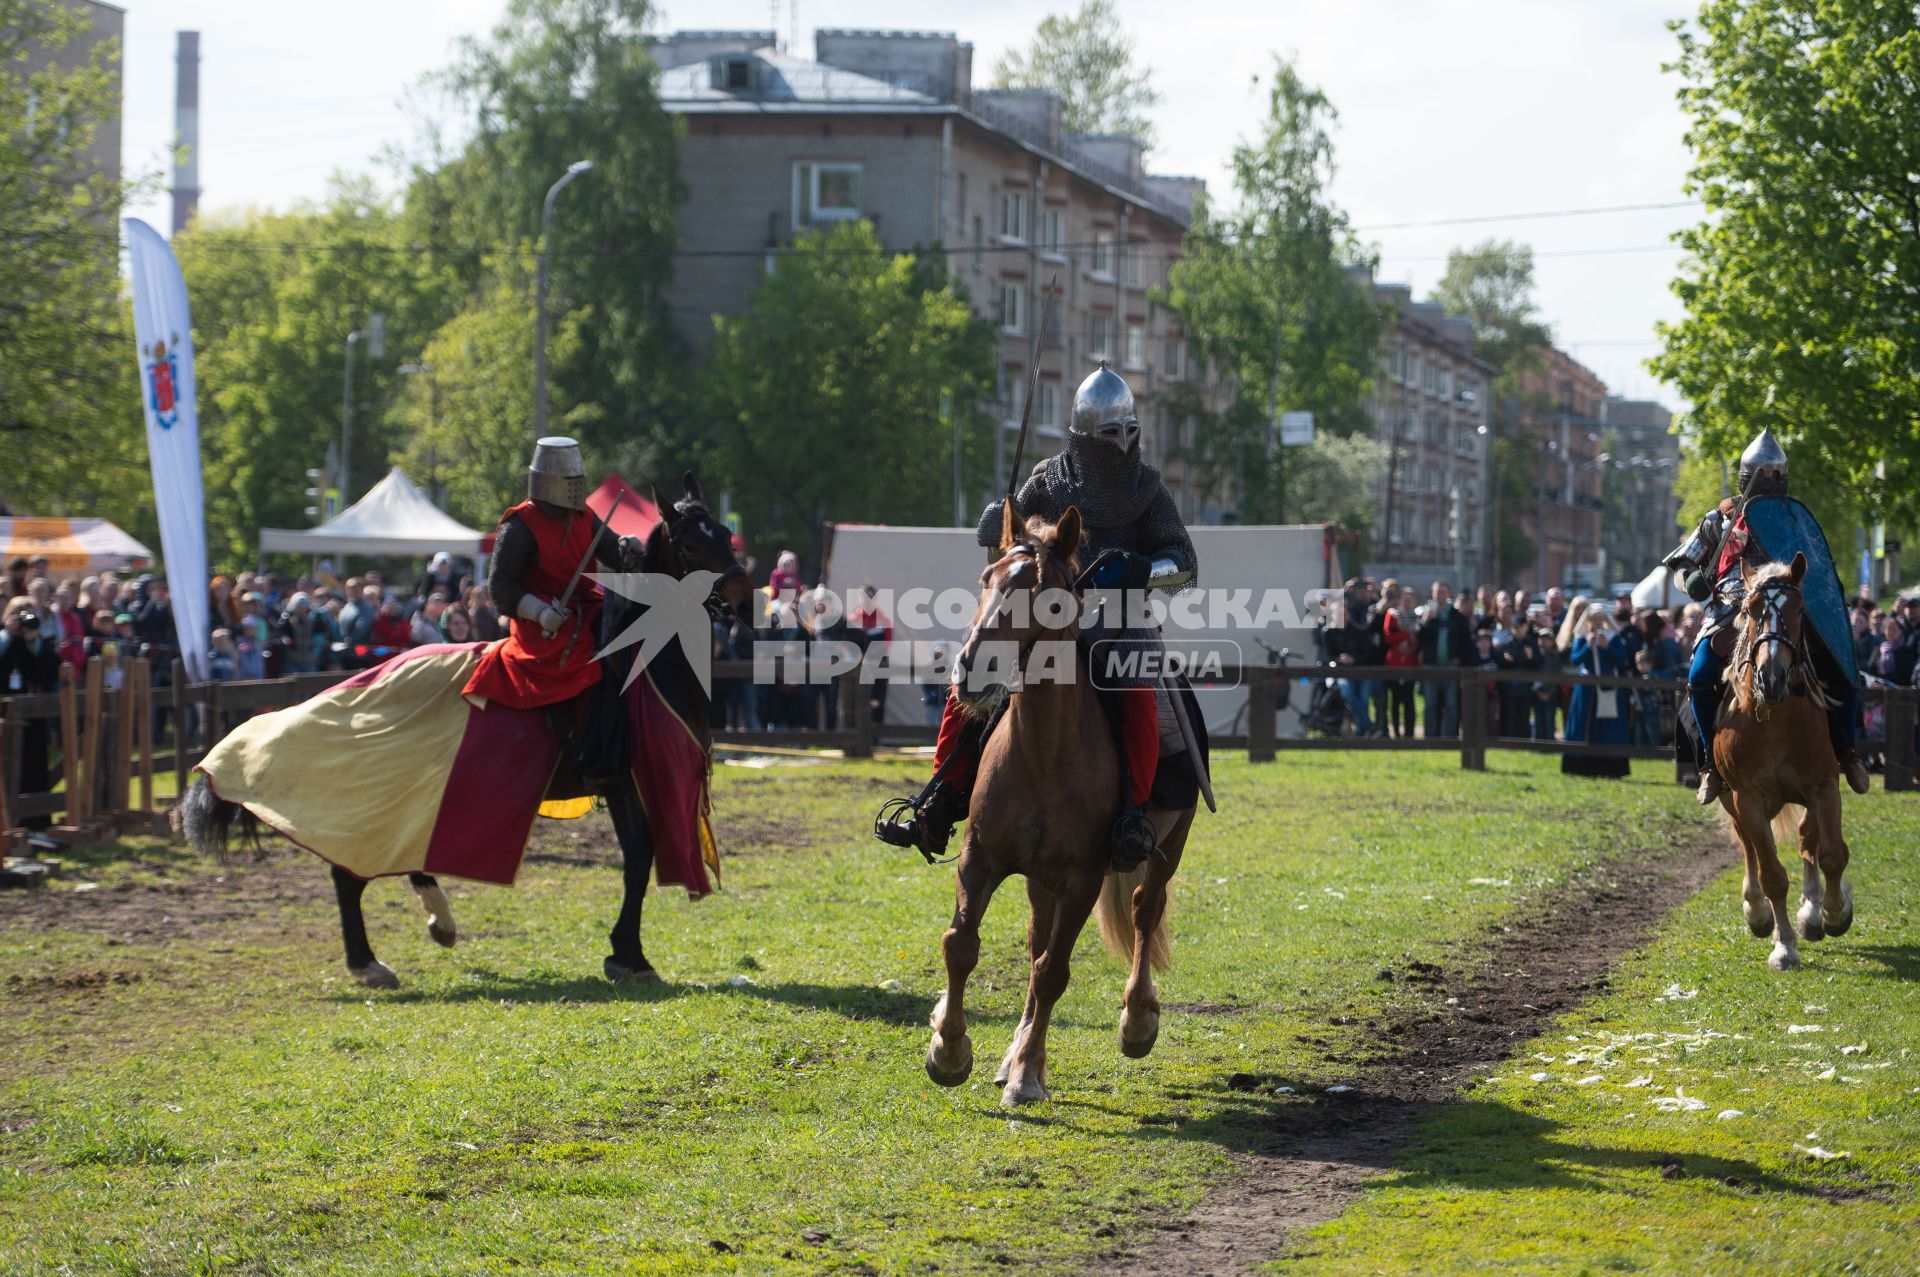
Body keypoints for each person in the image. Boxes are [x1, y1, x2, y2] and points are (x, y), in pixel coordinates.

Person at [875, 362, 1199, 868]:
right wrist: (992, 522)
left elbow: (1183, 562)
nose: (1119, 442)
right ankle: (940, 798)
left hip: (1121, 619)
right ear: (1083, 435)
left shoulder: (1147, 489)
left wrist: (1140, 569)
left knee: (1135, 689)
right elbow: (1010, 540)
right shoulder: (1048, 478)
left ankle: (1134, 812)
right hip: (1045, 611)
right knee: (972, 680)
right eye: (1108, 433)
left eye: (1128, 432)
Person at [1662, 428, 1870, 803]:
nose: (1771, 482)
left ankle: (1848, 751)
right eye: (1765, 475)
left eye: (1776, 476)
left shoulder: (1793, 519)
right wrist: (1692, 579)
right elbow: (1682, 561)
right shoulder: (1720, 519)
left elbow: (1817, 569)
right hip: (1734, 609)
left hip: (1789, 609)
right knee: (1699, 674)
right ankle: (1711, 761)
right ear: (1746, 476)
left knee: (1842, 666)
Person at [463, 437, 641, 711]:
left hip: (586, 609)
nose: (574, 483)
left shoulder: (585, 516)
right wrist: (540, 611)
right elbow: (500, 586)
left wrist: (628, 550)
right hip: (540, 624)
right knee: (583, 667)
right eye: (567, 477)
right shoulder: (521, 523)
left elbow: (615, 556)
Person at [1, 600, 60, 828]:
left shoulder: (37, 642)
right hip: (5, 712)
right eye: (18, 614)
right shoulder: (4, 639)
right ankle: (8, 823)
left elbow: (49, 670)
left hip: (32, 716)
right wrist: (8, 632)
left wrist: (33, 640)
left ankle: (36, 820)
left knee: (34, 766)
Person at [1560, 598, 1633, 778]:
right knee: (1584, 723)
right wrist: (1588, 645)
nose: (1598, 622)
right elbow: (1575, 659)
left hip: (1608, 687)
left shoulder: (1613, 637)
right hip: (1586, 688)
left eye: (1601, 618)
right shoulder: (1582, 637)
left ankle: (1610, 766)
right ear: (1589, 620)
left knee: (1608, 726)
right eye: (1594, 619)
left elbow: (1622, 660)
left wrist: (1607, 648)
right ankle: (1580, 765)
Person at [1417, 581, 1471, 738]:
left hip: (1451, 666)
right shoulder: (1427, 614)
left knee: (1451, 704)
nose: (1440, 595)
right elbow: (1419, 638)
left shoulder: (1457, 617)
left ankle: (1450, 737)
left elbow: (1465, 642)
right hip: (1430, 666)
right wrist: (1425, 622)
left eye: (1443, 592)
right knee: (1430, 704)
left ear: (1448, 594)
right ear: (1432, 594)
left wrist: (1458, 660)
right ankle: (1430, 737)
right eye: (1437, 592)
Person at [1380, 584, 1419, 739]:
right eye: (1404, 599)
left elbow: (1420, 639)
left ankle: (1409, 734)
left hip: (1411, 661)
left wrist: (1412, 644)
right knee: (1395, 700)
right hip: (1394, 662)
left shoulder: (1418, 617)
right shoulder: (1393, 615)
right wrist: (1405, 635)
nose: (1407, 603)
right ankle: (1395, 733)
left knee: (1409, 699)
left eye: (1410, 600)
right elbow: (1387, 636)